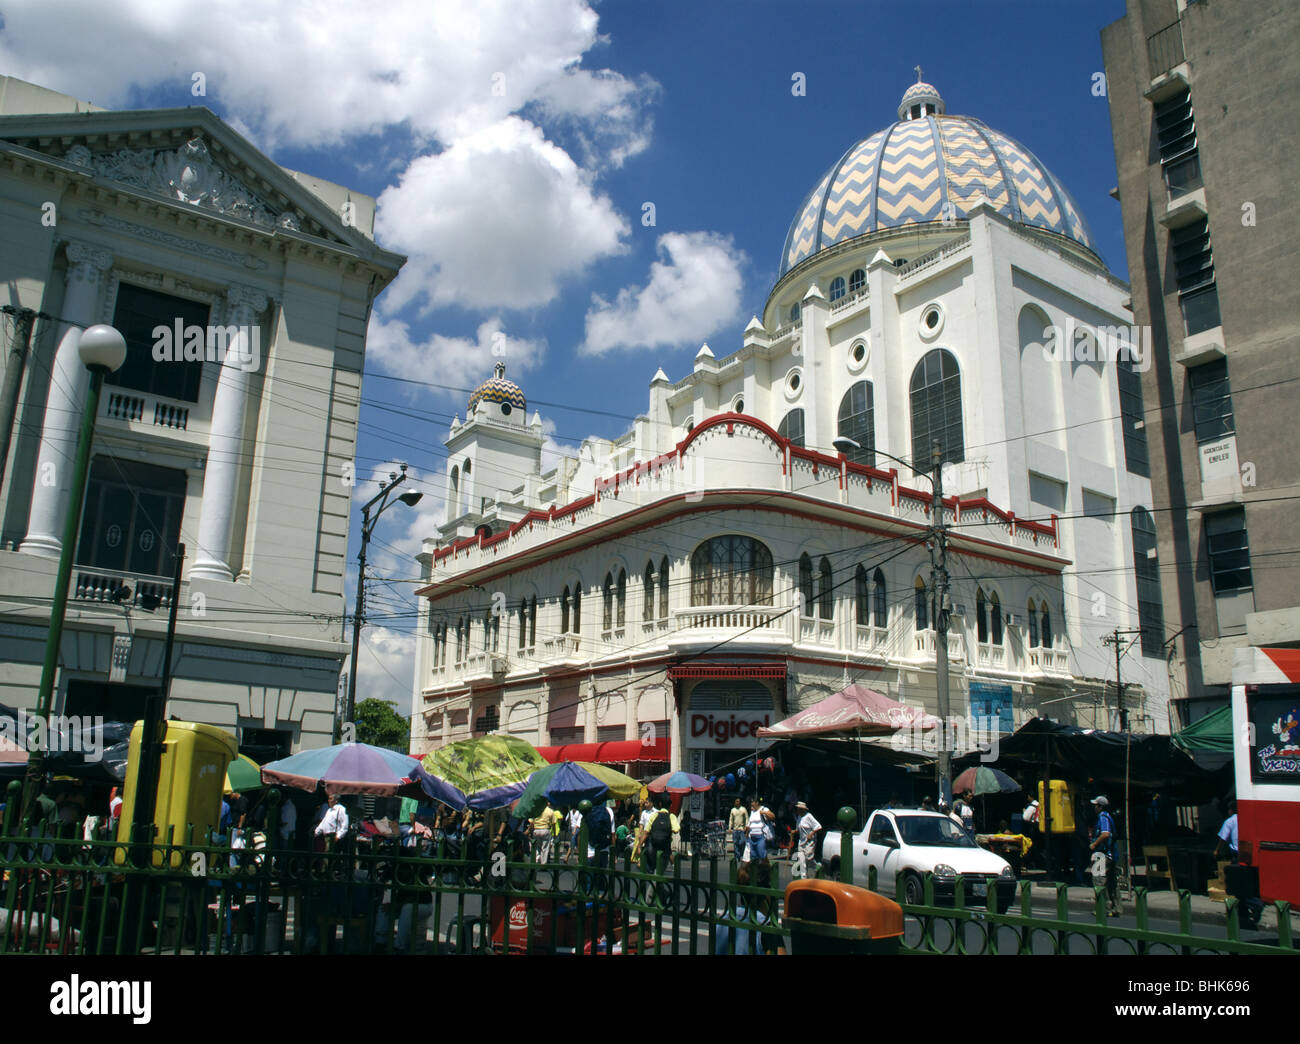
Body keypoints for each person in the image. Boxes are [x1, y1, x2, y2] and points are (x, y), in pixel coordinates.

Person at [1215, 801, 1263, 928]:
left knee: (1238, 886)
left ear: (1231, 810)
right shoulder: (1248, 818)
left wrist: (1217, 850)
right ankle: (1244, 914)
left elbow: (1223, 838)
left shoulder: (1230, 821)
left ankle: (1255, 904)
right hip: (1251, 855)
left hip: (1237, 856)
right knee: (1249, 882)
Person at [1088, 796, 1121, 917]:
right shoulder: (1108, 816)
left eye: (1096, 805)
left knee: (1099, 882)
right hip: (1110, 854)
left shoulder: (1102, 817)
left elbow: (1105, 834)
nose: (1094, 808)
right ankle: (1116, 908)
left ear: (1100, 807)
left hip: (1101, 854)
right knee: (1112, 882)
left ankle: (1103, 908)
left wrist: (1094, 844)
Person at [635, 797, 678, 871]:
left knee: (652, 866)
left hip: (653, 845)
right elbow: (676, 830)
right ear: (670, 805)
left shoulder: (654, 815)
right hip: (665, 846)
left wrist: (639, 846)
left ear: (660, 804)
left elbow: (646, 832)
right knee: (661, 869)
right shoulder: (672, 816)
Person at [793, 801, 822, 879]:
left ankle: (816, 866)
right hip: (801, 841)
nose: (797, 810)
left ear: (802, 809)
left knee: (808, 858)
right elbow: (798, 829)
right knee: (801, 860)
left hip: (810, 841)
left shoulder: (809, 816)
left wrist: (811, 834)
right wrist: (794, 831)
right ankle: (803, 877)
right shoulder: (799, 817)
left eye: (799, 809)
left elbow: (818, 826)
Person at [746, 797, 775, 863]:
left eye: (752, 802)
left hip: (761, 837)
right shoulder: (752, 812)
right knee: (753, 856)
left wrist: (764, 812)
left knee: (762, 855)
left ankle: (765, 869)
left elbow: (773, 816)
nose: (751, 804)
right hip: (752, 837)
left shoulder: (764, 809)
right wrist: (747, 834)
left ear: (757, 803)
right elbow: (749, 824)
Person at [728, 798, 748, 862]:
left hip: (742, 829)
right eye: (736, 801)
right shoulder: (733, 810)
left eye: (738, 801)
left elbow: (747, 818)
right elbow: (731, 819)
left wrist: (746, 827)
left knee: (742, 842)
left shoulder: (743, 809)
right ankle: (737, 856)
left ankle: (741, 854)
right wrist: (730, 828)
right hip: (735, 829)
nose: (737, 802)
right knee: (735, 843)